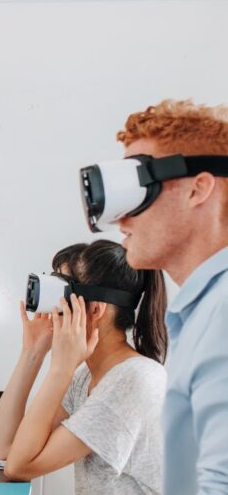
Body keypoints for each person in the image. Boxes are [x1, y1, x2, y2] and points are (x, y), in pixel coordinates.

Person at [0, 240, 167, 494]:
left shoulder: (132, 379)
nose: (55, 309)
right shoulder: (87, 378)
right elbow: (0, 449)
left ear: (95, 309)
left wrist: (61, 368)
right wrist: (32, 353)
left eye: (64, 296)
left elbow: (19, 466)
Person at [114, 100, 228, 494]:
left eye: (140, 190)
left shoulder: (223, 312)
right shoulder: (202, 312)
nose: (120, 218)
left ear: (198, 189)